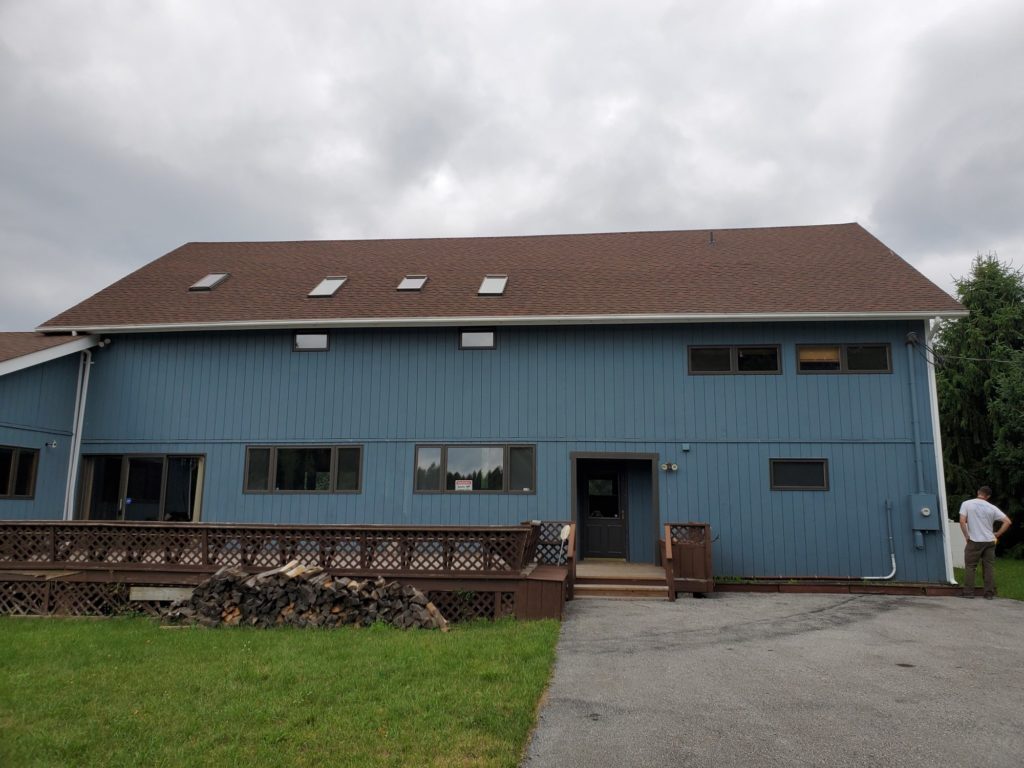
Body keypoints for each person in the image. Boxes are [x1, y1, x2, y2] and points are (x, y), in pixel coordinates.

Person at [959, 486, 1012, 599]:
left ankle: (968, 593)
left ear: (978, 492)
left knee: (970, 566)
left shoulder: (967, 504)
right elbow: (1007, 521)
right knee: (989, 567)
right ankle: (989, 594)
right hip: (989, 541)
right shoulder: (992, 507)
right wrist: (998, 534)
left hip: (974, 540)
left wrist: (966, 536)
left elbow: (962, 521)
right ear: (988, 496)